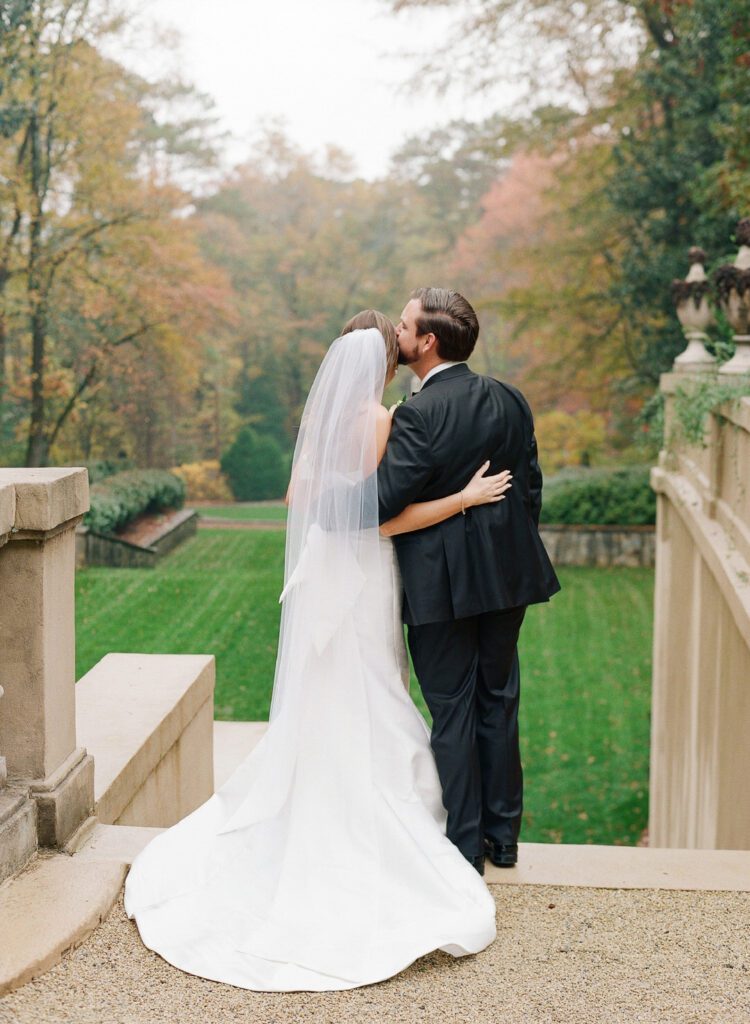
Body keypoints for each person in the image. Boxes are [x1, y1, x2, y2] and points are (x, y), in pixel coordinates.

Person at [124, 311, 512, 992]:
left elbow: (300, 496)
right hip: (363, 568)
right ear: (385, 362)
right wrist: (464, 497)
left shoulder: (323, 421)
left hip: (323, 566)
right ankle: (379, 816)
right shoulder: (383, 419)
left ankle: (312, 794)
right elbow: (384, 515)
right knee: (374, 685)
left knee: (329, 687)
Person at [378, 288, 561, 873]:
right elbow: (530, 488)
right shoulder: (511, 398)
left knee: (452, 709)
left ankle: (463, 847)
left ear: (427, 343)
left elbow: (381, 504)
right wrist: (507, 548)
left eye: (404, 326)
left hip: (443, 588)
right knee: (499, 700)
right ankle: (503, 838)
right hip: (509, 579)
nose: (398, 333)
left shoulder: (418, 415)